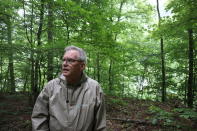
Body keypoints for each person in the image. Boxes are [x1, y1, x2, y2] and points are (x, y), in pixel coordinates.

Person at [31, 45, 106, 131]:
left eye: (70, 60)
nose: (64, 64)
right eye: (63, 60)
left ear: (82, 66)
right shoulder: (51, 87)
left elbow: (100, 125)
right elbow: (39, 117)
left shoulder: (94, 88)